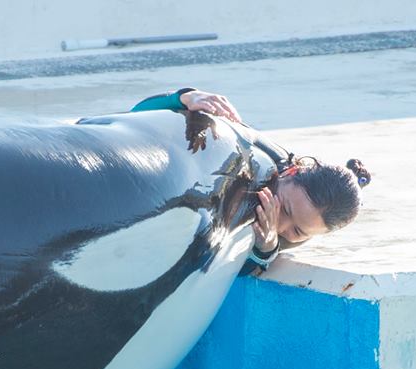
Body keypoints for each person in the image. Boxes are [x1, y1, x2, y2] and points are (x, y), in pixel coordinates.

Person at [131, 88, 371, 271]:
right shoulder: (249, 153)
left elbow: (228, 271)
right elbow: (134, 118)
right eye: (285, 209)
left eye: (298, 231)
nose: (279, 226)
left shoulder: (282, 235)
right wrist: (184, 98)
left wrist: (265, 250)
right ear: (291, 172)